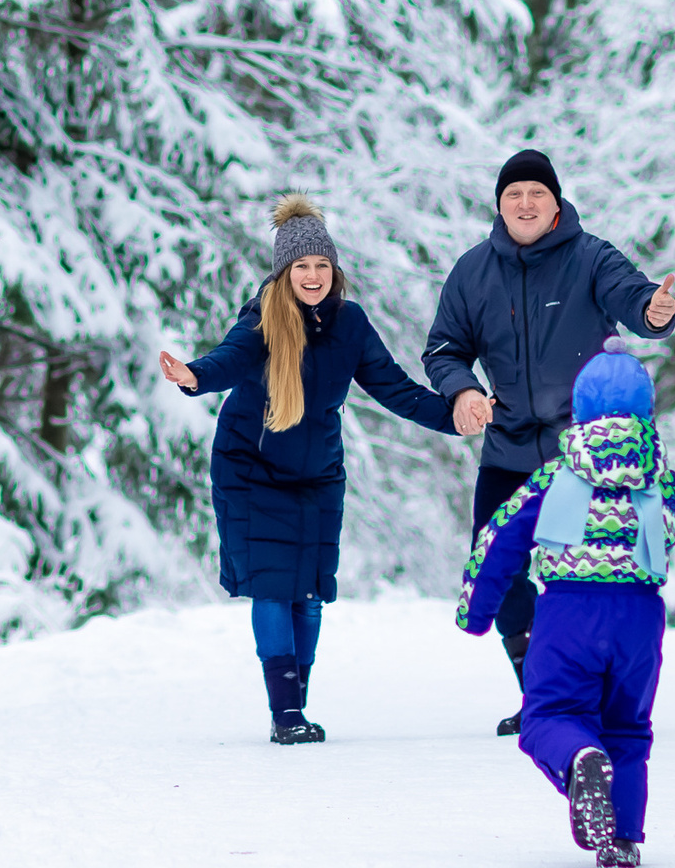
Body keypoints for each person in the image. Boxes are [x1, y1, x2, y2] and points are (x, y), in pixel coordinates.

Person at [161, 195, 455, 745]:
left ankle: (295, 704)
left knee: (310, 593)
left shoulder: (351, 324)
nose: (313, 275)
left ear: (334, 270)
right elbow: (229, 358)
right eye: (302, 266)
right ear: (284, 272)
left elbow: (394, 388)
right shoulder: (262, 320)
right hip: (250, 471)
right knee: (274, 587)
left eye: (322, 265)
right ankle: (285, 714)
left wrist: (456, 416)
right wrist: (194, 376)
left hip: (318, 473)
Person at [425, 149, 675, 734]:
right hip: (510, 446)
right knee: (498, 560)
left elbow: (635, 298)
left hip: (584, 455)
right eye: (514, 194)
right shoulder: (472, 271)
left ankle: (591, 693)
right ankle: (541, 691)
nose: (525, 202)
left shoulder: (590, 257)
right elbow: (444, 348)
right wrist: (463, 390)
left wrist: (654, 310)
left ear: (556, 201)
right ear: (499, 205)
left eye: (537, 192)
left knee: (585, 572)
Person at [459, 338, 675, 868]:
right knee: (628, 728)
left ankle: (579, 758)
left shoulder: (552, 477)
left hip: (567, 614)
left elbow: (499, 538)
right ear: (646, 410)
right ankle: (623, 837)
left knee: (549, 716)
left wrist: (477, 610)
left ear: (579, 412)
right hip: (638, 617)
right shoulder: (661, 478)